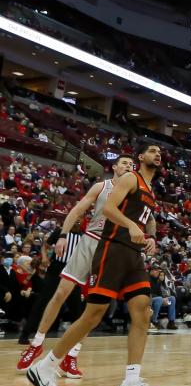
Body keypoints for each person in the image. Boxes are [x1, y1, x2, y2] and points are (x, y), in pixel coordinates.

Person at [27, 144, 162, 386]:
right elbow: (109, 209)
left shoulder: (149, 190)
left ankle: (131, 382)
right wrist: (132, 225)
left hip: (133, 255)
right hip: (111, 250)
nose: (157, 154)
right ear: (141, 157)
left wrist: (149, 237)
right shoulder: (130, 178)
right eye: (152, 151)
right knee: (93, 315)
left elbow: (146, 220)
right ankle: (45, 367)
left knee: (143, 312)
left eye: (160, 152)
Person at [17, 155, 138, 374]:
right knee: (61, 292)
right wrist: (63, 235)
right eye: (124, 163)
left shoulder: (134, 194)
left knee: (95, 306)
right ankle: (36, 344)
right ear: (114, 167)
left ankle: (71, 356)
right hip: (90, 240)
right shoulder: (102, 186)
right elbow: (76, 210)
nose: (128, 166)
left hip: (111, 248)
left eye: (131, 164)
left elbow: (143, 220)